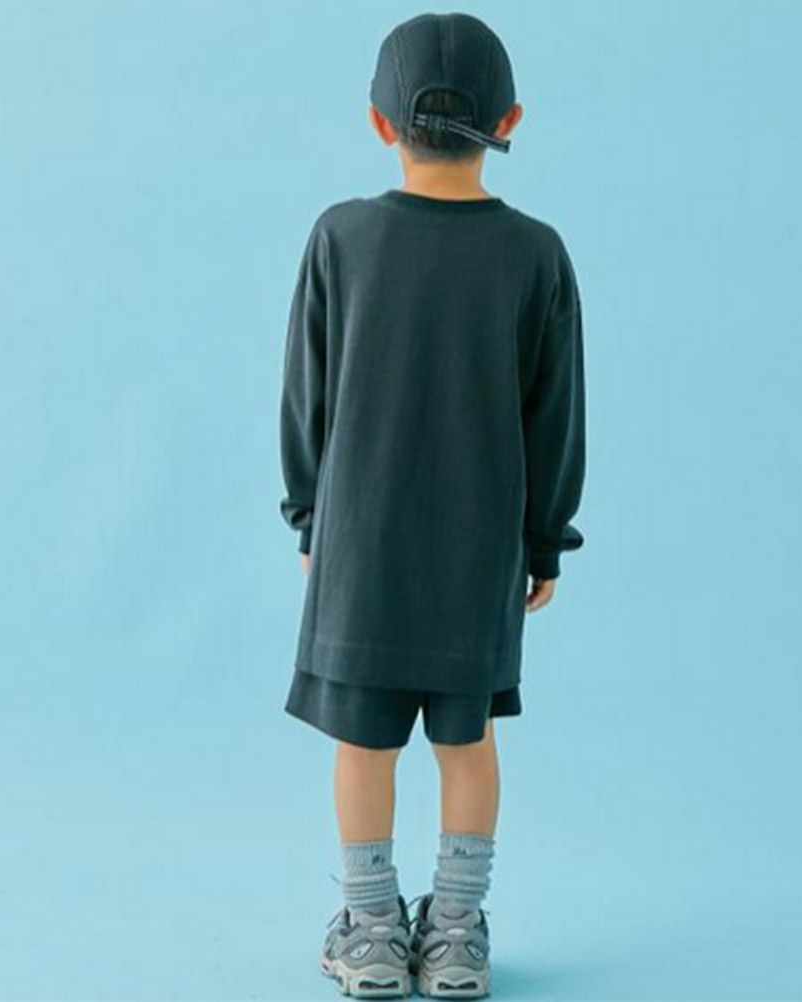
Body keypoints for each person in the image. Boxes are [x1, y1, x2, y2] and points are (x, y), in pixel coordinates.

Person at [278, 12, 586, 998]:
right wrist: (544, 541)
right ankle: (455, 935)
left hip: (360, 551)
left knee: (364, 745)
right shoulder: (536, 254)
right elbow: (555, 416)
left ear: (379, 124)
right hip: (479, 549)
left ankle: (371, 933)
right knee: (469, 742)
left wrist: (308, 518)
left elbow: (307, 396)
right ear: (511, 119)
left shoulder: (341, 238)